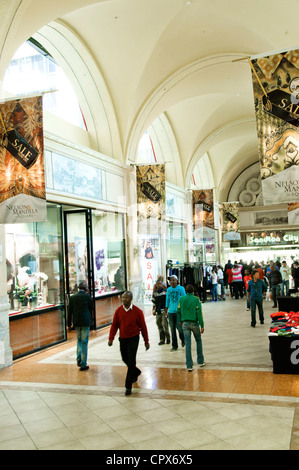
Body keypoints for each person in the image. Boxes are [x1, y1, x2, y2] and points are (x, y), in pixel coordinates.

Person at [108, 291, 150, 396]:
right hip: (123, 339)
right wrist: (111, 338)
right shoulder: (118, 311)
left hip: (134, 338)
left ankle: (128, 386)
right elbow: (114, 325)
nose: (123, 300)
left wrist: (146, 341)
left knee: (131, 361)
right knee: (124, 358)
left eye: (126, 298)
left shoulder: (137, 311)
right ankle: (136, 372)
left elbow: (143, 327)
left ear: (131, 299)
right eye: (122, 298)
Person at [177, 284, 205, 371]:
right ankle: (200, 361)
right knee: (198, 341)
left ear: (186, 291)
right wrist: (202, 325)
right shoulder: (196, 299)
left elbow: (178, 311)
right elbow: (199, 313)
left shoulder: (181, 299)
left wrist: (180, 321)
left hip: (185, 323)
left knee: (188, 344)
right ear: (193, 291)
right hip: (194, 323)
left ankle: (189, 365)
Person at [68, 281, 93, 371]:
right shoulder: (87, 297)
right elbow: (91, 308)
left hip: (77, 322)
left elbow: (70, 311)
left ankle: (78, 359)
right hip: (86, 322)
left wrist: (68, 324)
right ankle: (83, 364)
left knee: (79, 340)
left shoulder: (72, 298)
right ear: (85, 288)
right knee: (84, 342)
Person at [165, 275, 186, 351]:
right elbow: (167, 300)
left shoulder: (181, 289)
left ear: (177, 281)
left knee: (179, 328)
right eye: (171, 280)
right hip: (171, 312)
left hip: (178, 312)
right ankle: (174, 346)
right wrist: (166, 311)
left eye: (173, 280)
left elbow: (184, 299)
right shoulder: (169, 289)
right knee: (172, 329)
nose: (172, 281)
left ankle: (183, 339)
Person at [152, 279, 170, 345]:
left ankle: (168, 338)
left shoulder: (165, 292)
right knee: (159, 325)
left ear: (162, 284)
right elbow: (154, 302)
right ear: (156, 285)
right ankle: (162, 339)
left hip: (164, 311)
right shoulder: (155, 293)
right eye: (158, 284)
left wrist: (166, 311)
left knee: (165, 325)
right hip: (158, 311)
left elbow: (167, 302)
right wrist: (153, 310)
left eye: (160, 284)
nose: (159, 285)